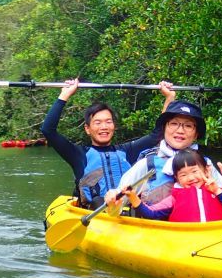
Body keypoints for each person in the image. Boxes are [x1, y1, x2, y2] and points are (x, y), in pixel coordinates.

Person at [40, 78, 176, 208]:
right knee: (98, 201)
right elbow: (48, 130)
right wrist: (65, 94)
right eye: (97, 123)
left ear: (114, 126)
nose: (104, 127)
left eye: (108, 122)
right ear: (87, 129)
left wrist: (169, 98)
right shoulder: (78, 155)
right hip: (95, 213)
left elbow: (158, 134)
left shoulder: (127, 151)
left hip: (127, 212)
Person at [104, 99, 222, 213]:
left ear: (196, 134)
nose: (180, 130)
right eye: (174, 123)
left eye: (188, 126)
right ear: (165, 128)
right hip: (158, 233)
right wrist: (112, 200)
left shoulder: (205, 165)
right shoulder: (147, 164)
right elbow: (116, 207)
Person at [123, 149, 222, 221]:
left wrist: (217, 191)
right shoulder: (174, 198)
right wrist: (133, 197)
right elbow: (151, 213)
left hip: (215, 237)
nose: (190, 178)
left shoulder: (217, 192)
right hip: (185, 241)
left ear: (206, 171)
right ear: (177, 179)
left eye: (194, 171)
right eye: (183, 175)